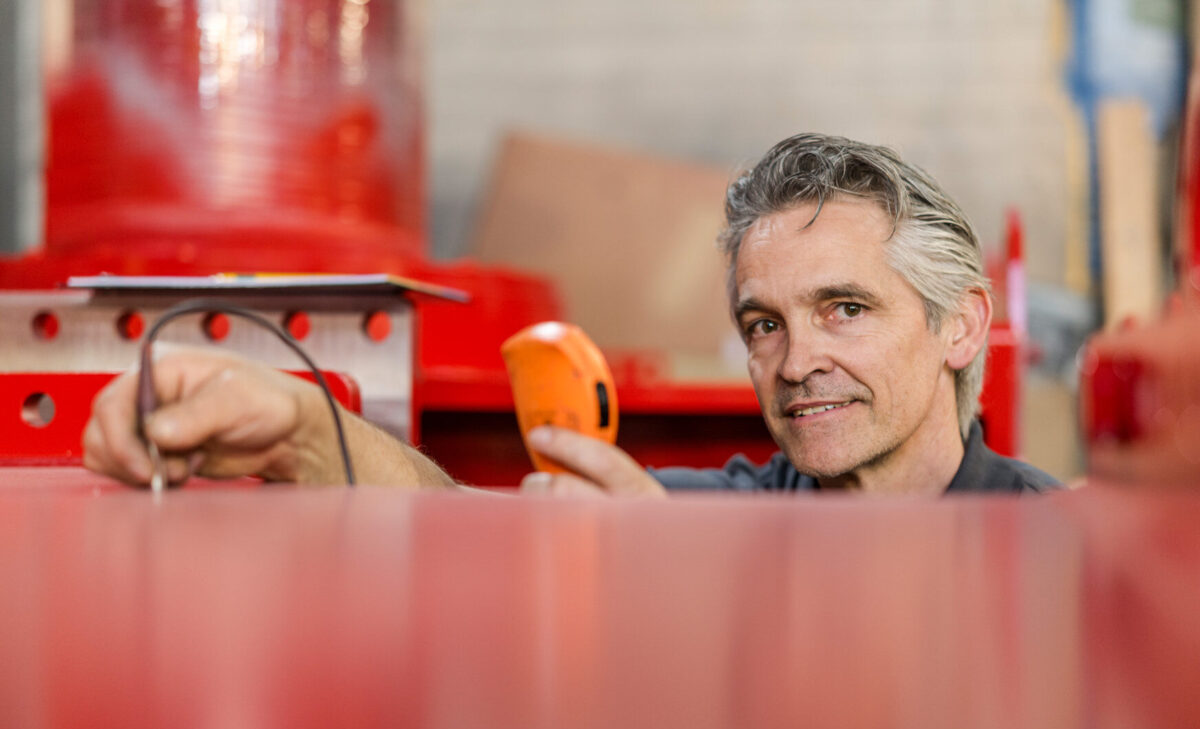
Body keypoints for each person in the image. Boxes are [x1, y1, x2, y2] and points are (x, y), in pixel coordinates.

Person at [83, 133, 1059, 495]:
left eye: (844, 308)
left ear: (962, 325)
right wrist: (303, 428)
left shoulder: (1059, 555)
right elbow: (457, 525)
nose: (797, 359)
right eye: (764, 323)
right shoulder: (719, 522)